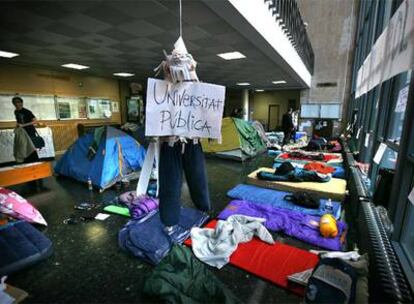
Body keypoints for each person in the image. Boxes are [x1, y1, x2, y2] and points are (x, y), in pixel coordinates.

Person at [12, 96, 39, 162]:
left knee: (31, 147)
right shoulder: (16, 111)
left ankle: (35, 162)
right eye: (14, 103)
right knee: (23, 146)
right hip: (22, 132)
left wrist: (23, 125)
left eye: (18, 102)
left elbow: (35, 121)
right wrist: (17, 126)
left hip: (30, 131)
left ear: (21, 103)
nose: (16, 104)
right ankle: (26, 161)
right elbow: (19, 121)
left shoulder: (27, 111)